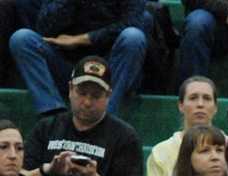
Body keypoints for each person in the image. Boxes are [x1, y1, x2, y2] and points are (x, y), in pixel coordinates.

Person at [8, 0, 146, 116]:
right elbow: (44, 28)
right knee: (22, 38)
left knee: (133, 37)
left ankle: (107, 116)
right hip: (65, 64)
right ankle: (54, 115)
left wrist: (83, 39)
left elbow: (132, 23)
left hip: (109, 67)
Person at [143, 77, 220, 176]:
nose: (200, 104)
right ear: (180, 105)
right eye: (193, 98)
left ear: (215, 107)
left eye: (207, 98)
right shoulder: (161, 151)